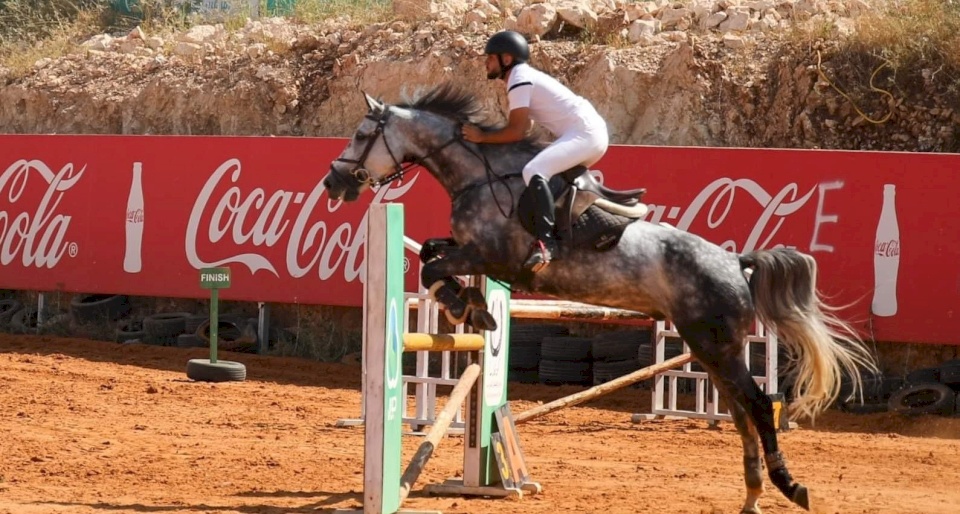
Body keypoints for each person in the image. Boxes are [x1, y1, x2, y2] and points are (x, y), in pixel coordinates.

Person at [461, 30, 609, 274]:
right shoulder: (521, 77)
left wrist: (482, 137)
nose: (485, 62)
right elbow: (526, 127)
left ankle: (547, 244)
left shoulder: (519, 78)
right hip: (589, 133)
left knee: (534, 169)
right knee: (537, 173)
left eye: (490, 57)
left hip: (586, 134)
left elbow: (517, 131)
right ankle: (566, 234)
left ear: (506, 59)